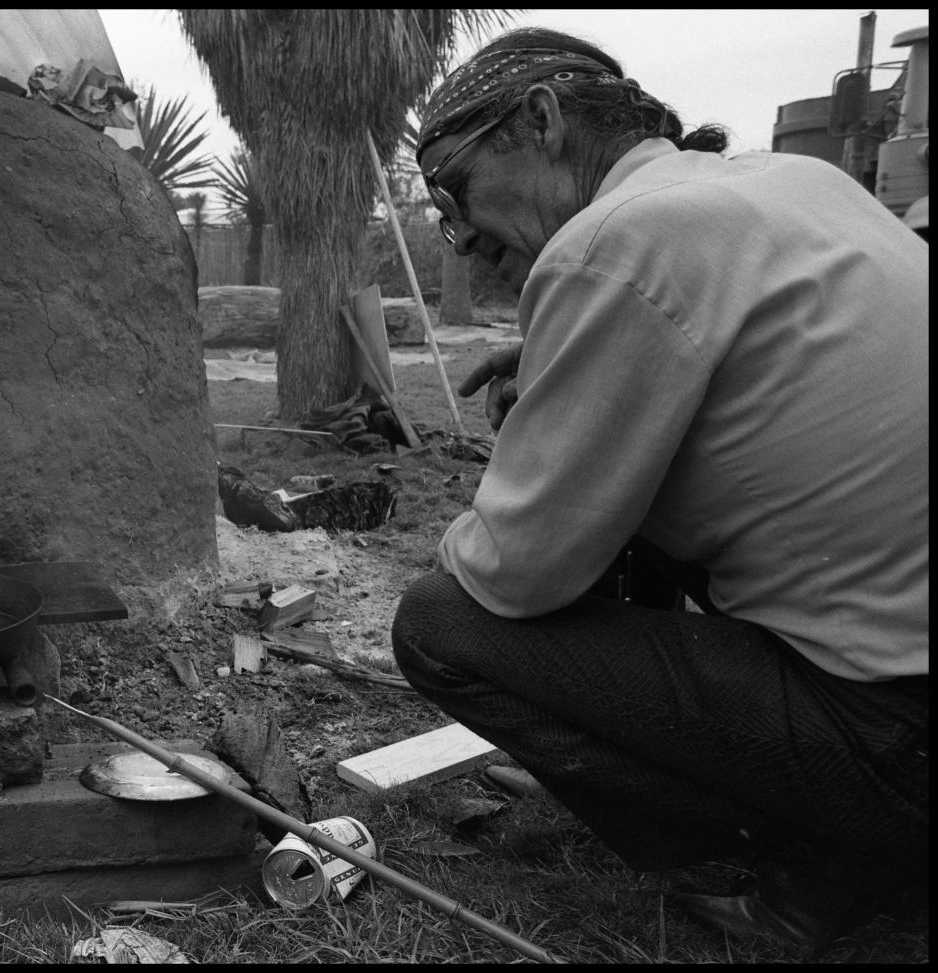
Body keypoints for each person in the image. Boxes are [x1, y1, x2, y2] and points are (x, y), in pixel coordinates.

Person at [390, 27, 928, 955]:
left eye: (455, 191)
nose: (465, 240)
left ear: (542, 122)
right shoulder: (798, 185)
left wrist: (542, 432)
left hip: (893, 737)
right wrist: (579, 374)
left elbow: (513, 573)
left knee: (441, 625)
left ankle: (783, 862)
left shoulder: (616, 240)